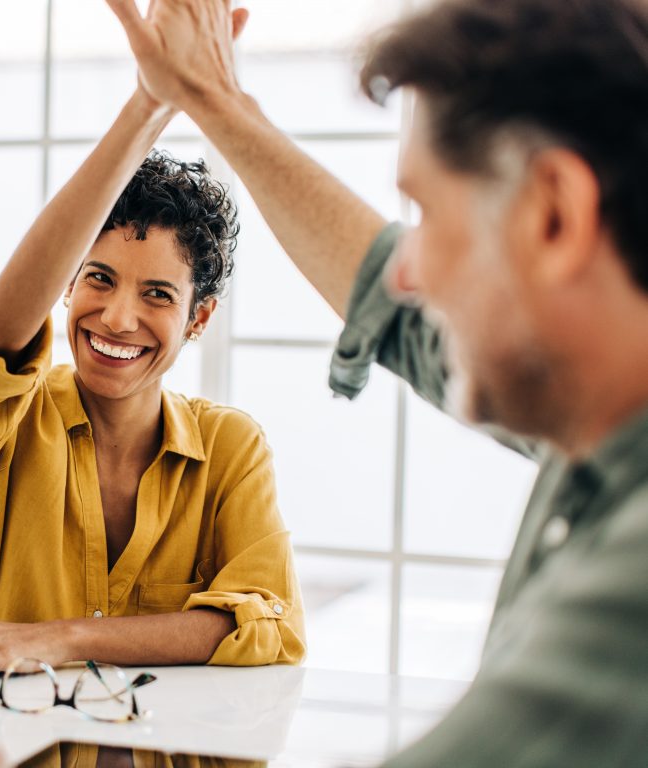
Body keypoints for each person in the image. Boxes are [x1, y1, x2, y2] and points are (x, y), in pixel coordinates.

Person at [99, 0, 648, 765]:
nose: (407, 270)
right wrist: (215, 103)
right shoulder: (600, 422)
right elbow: (392, 312)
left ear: (555, 216)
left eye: (426, 213)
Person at [0, 82, 305, 673]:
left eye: (157, 294)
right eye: (98, 278)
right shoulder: (5, 420)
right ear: (67, 282)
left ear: (197, 317)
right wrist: (147, 106)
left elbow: (266, 625)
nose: (117, 318)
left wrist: (61, 639)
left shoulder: (231, 449)